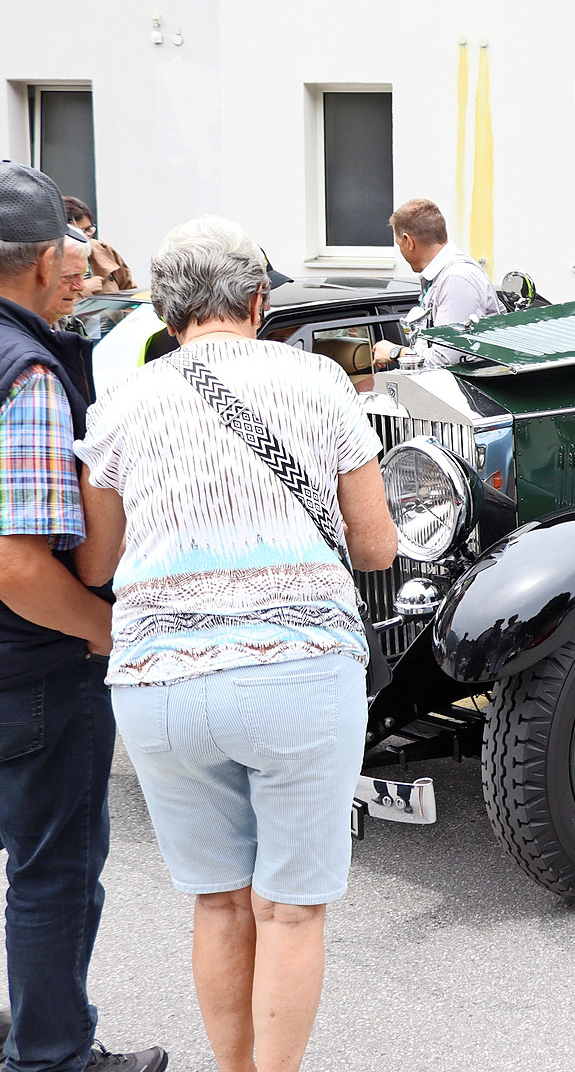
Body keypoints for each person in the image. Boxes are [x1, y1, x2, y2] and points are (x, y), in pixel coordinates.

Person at [73, 216, 397, 1072]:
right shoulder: (319, 381)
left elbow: (97, 562)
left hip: (158, 681)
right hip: (299, 669)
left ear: (162, 309)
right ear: (257, 301)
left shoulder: (122, 403)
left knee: (218, 902)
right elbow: (375, 547)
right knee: (289, 908)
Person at [0, 164, 166, 1072]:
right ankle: (52, 1056)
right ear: (39, 262)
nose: (77, 274)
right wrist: (104, 631)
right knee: (53, 874)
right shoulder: (26, 373)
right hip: (31, 669)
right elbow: (20, 568)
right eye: (67, 258)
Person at [370, 198, 500, 370]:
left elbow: (446, 359)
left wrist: (396, 353)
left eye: (399, 244)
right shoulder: (440, 276)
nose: (400, 250)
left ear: (409, 241)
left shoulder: (457, 279)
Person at [61, 200, 134, 295]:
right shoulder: (52, 258)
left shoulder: (103, 249)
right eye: (79, 232)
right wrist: (85, 289)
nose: (86, 236)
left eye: (88, 229)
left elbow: (130, 292)